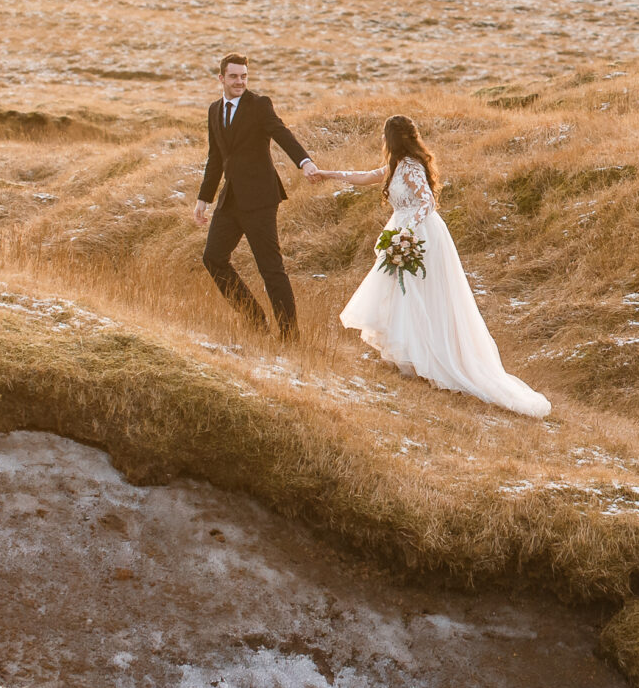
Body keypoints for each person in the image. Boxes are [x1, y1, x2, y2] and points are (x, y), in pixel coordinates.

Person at [318, 115, 550, 417]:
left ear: (392, 138)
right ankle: (406, 356)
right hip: (402, 231)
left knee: (417, 291)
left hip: (421, 233)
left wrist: (407, 230)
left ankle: (423, 357)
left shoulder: (412, 167)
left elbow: (426, 202)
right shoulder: (396, 166)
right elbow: (363, 175)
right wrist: (327, 173)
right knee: (398, 291)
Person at [193, 53, 319, 339]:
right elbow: (216, 158)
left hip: (261, 199)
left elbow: (282, 133)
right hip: (230, 199)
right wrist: (204, 199)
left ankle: (290, 336)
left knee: (270, 269)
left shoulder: (259, 105)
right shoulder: (214, 110)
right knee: (213, 258)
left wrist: (305, 162)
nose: (240, 81)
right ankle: (254, 318)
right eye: (234, 76)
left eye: (244, 76)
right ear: (221, 78)